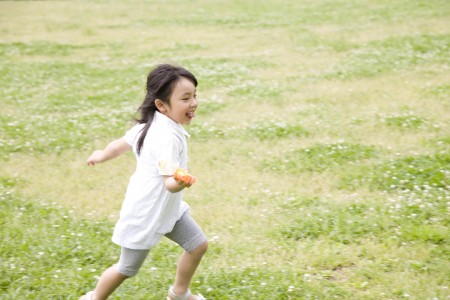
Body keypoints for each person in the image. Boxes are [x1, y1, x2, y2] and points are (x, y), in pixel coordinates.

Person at [80, 64, 208, 300]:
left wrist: (100, 154)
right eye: (185, 98)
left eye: (194, 96)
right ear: (161, 105)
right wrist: (183, 181)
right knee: (126, 268)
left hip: (168, 209)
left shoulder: (154, 124)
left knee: (198, 244)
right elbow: (169, 182)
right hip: (147, 212)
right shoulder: (165, 137)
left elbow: (120, 144)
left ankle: (179, 294)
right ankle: (94, 298)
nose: (193, 103)